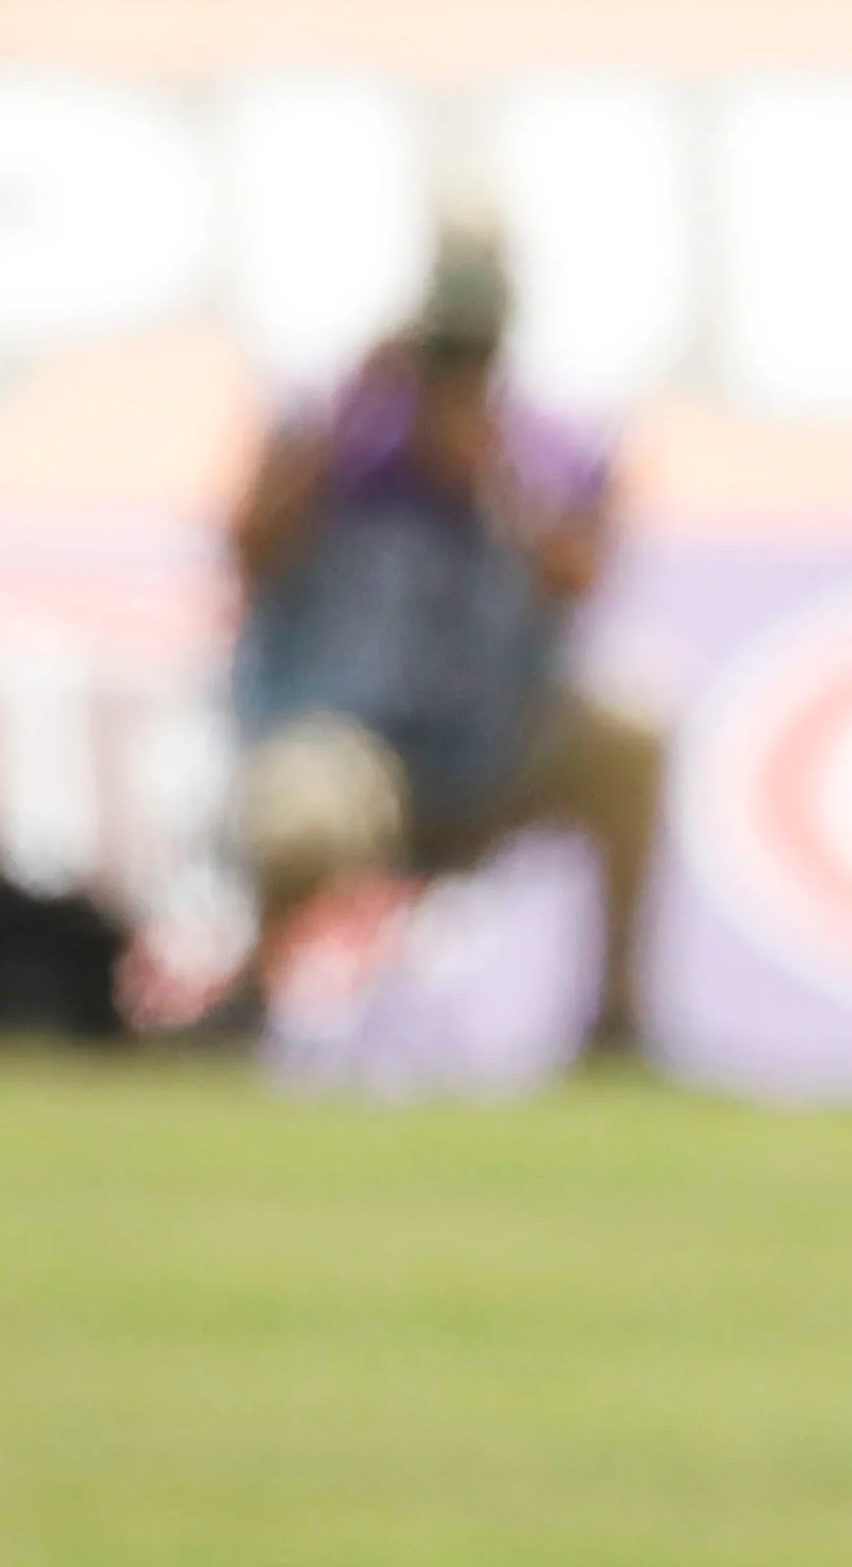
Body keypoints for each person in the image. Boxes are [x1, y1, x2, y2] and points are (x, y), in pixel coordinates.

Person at [223, 211, 663, 1070]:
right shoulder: (334, 435)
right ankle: (249, 1002)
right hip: (359, 742)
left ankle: (615, 1019)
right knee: (300, 812)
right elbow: (245, 552)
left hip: (494, 743)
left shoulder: (547, 448)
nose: (456, 377)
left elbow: (582, 578)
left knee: (633, 733)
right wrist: (353, 412)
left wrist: (497, 481)